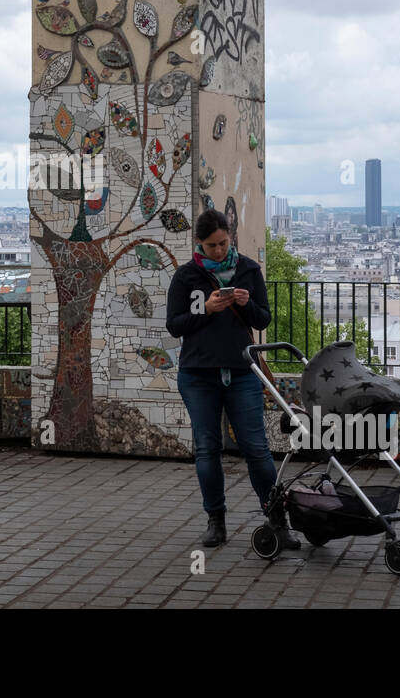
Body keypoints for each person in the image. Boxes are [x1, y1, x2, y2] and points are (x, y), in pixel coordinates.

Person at [166, 208, 299, 550]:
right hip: (198, 374)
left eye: (223, 243)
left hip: (242, 372)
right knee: (207, 449)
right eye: (211, 246)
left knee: (256, 448)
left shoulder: (248, 270)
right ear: (199, 244)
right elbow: (175, 324)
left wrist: (245, 304)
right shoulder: (186, 277)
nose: (219, 251)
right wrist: (206, 309)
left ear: (230, 237)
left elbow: (263, 318)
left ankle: (277, 520)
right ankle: (216, 520)